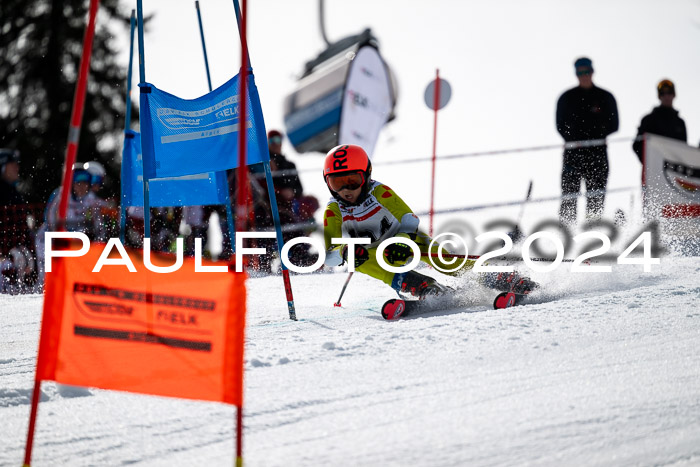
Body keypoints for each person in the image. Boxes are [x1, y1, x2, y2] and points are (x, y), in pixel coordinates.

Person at [321, 144, 537, 318]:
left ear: (366, 175)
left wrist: (402, 241)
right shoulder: (333, 211)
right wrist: (345, 252)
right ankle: (424, 286)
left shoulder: (380, 192)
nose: (346, 190)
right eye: (337, 183)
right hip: (377, 253)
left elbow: (408, 218)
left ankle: (499, 277)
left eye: (352, 181)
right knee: (359, 260)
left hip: (404, 240)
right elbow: (329, 257)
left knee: (444, 260)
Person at [556, 57, 619, 224]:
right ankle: (565, 236)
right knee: (569, 199)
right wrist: (575, 138)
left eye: (587, 71)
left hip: (597, 155)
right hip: (573, 156)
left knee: (595, 201)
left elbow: (614, 124)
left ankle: (592, 237)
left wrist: (594, 135)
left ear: (592, 72)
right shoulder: (566, 98)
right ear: (576, 74)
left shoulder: (605, 97)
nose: (584, 75)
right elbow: (560, 125)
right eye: (580, 72)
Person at [632, 79, 687, 162]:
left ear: (674, 95)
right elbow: (637, 145)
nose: (666, 96)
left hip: (674, 170)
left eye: (669, 93)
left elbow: (684, 149)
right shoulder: (649, 120)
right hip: (653, 168)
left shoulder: (680, 123)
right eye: (662, 94)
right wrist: (649, 162)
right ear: (659, 96)